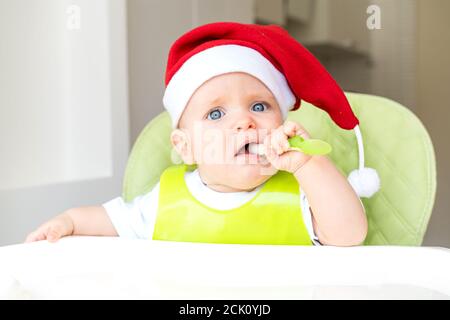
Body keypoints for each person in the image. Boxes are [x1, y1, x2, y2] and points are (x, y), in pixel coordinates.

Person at [26, 22, 371, 246]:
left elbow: (350, 234)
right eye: (216, 113)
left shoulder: (301, 191)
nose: (244, 123)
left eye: (260, 107)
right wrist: (68, 221)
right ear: (185, 147)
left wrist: (309, 165)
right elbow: (108, 221)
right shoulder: (165, 201)